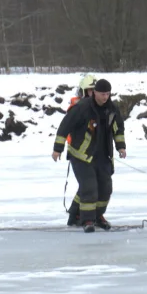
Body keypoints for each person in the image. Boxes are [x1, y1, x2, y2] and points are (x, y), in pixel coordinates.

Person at [52, 78, 126, 232]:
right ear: (95, 93)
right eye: (101, 93)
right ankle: (87, 220)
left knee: (105, 188)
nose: (105, 97)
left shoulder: (112, 109)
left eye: (107, 94)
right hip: (80, 155)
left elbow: (118, 129)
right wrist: (57, 148)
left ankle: (96, 216)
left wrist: (121, 147)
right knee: (89, 187)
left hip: (103, 156)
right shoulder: (82, 108)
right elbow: (65, 126)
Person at [63, 74, 98, 224]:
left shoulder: (97, 107)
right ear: (84, 92)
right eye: (91, 91)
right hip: (78, 153)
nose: (93, 94)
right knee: (87, 185)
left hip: (92, 153)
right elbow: (68, 131)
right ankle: (83, 217)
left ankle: (74, 213)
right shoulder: (77, 109)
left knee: (89, 185)